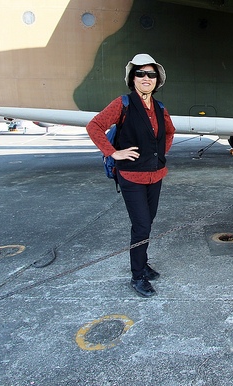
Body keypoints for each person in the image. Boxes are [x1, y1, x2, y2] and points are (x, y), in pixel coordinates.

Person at [86, 53, 175, 298]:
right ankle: (137, 276)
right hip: (131, 177)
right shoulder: (123, 104)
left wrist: (158, 154)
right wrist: (113, 153)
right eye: (141, 73)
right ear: (132, 78)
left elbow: (169, 132)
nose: (146, 78)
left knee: (147, 223)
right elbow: (94, 126)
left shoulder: (159, 107)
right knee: (141, 225)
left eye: (151, 74)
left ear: (157, 80)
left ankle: (143, 263)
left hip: (155, 176)